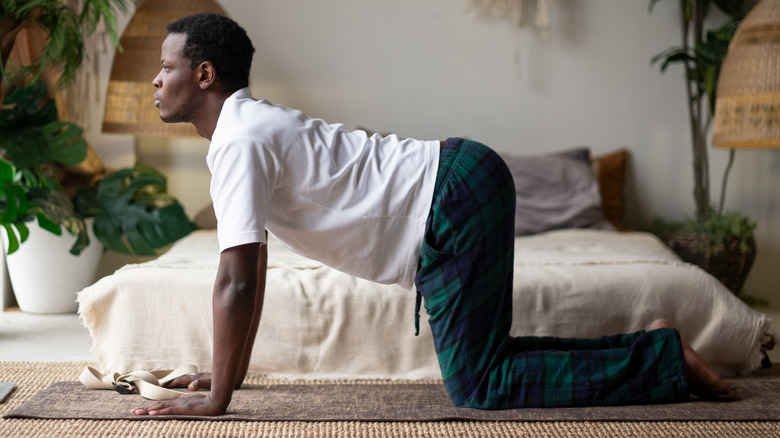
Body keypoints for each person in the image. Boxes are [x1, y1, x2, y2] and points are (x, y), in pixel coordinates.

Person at [131, 13, 735, 417]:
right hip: (462, 180)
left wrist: (216, 401)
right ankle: (657, 350)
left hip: (451, 199)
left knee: (478, 386)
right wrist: (223, 382)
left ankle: (661, 361)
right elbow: (250, 273)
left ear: (204, 74)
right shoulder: (245, 129)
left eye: (166, 67)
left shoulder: (239, 138)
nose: (156, 81)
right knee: (487, 362)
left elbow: (235, 280)